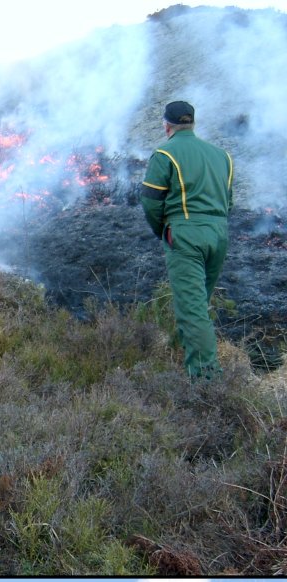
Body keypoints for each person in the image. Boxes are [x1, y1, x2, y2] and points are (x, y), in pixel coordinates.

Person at [141, 101, 234, 377]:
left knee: (192, 311)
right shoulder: (222, 156)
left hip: (186, 235)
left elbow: (150, 202)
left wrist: (165, 231)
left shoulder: (165, 154)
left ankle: (207, 384)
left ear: (166, 125)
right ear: (192, 123)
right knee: (198, 304)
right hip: (218, 235)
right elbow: (228, 202)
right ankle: (184, 354)